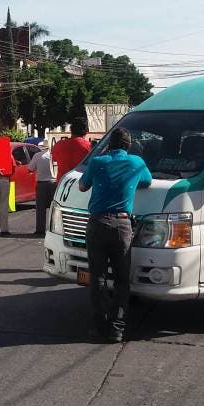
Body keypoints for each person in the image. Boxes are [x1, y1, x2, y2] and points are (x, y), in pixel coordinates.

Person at [78, 128, 152, 342]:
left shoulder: (97, 162)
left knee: (98, 278)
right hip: (122, 226)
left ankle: (99, 327)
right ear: (129, 146)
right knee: (121, 280)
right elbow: (147, 182)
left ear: (109, 144)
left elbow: (82, 186)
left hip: (97, 223)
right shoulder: (137, 163)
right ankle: (117, 329)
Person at [30, 141, 55, 235]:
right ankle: (54, 230)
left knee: (40, 208)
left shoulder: (37, 156)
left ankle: (40, 229)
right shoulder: (53, 155)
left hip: (41, 184)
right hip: (54, 183)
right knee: (54, 208)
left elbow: (30, 168)